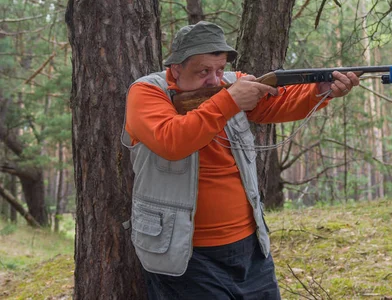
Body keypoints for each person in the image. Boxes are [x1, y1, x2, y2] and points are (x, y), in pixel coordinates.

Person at [121, 21, 359, 299]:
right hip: (184, 255)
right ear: (176, 69)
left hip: (250, 248)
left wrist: (320, 91)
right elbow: (171, 141)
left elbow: (277, 102)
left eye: (220, 70)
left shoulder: (233, 85)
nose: (214, 80)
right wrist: (229, 101)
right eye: (203, 71)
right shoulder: (148, 91)